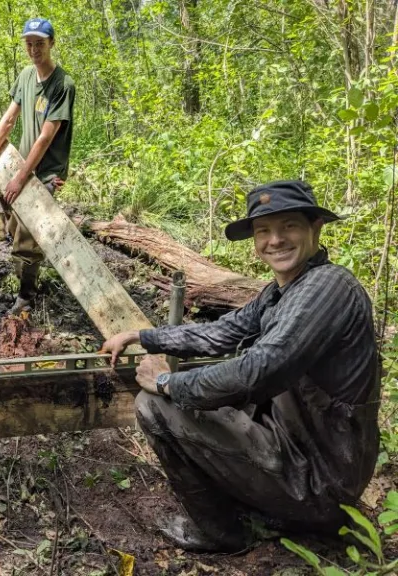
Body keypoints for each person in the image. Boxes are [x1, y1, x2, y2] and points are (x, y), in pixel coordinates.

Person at [101, 181, 380, 552]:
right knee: (211, 388)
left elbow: (259, 370)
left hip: (319, 480)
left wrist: (167, 383)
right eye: (264, 230)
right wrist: (143, 336)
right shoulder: (283, 291)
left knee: (153, 405)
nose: (275, 240)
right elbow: (224, 331)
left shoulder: (328, 287)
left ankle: (220, 533)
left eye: (289, 226)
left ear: (316, 229)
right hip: (300, 453)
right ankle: (259, 500)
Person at [0, 17, 76, 315]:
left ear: (51, 44)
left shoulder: (63, 84)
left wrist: (21, 179)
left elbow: (46, 137)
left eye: (40, 44)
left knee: (26, 235)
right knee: (11, 216)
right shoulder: (25, 77)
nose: (34, 49)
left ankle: (26, 296)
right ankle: (32, 259)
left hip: (45, 172)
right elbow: (9, 119)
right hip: (19, 164)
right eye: (29, 44)